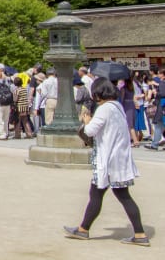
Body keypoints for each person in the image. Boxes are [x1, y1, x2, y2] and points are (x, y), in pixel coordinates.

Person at [64, 78, 149, 247]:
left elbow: (89, 131)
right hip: (119, 159)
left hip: (108, 160)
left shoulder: (104, 110)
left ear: (98, 93)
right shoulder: (118, 107)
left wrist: (87, 121)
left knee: (97, 195)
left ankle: (83, 230)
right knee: (122, 196)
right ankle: (139, 234)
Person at [145, 69, 165, 151]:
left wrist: (156, 93)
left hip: (162, 107)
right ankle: (155, 144)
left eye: (160, 74)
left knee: (158, 126)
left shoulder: (162, 83)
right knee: (159, 126)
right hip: (163, 107)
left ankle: (154, 144)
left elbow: (163, 94)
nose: (159, 75)